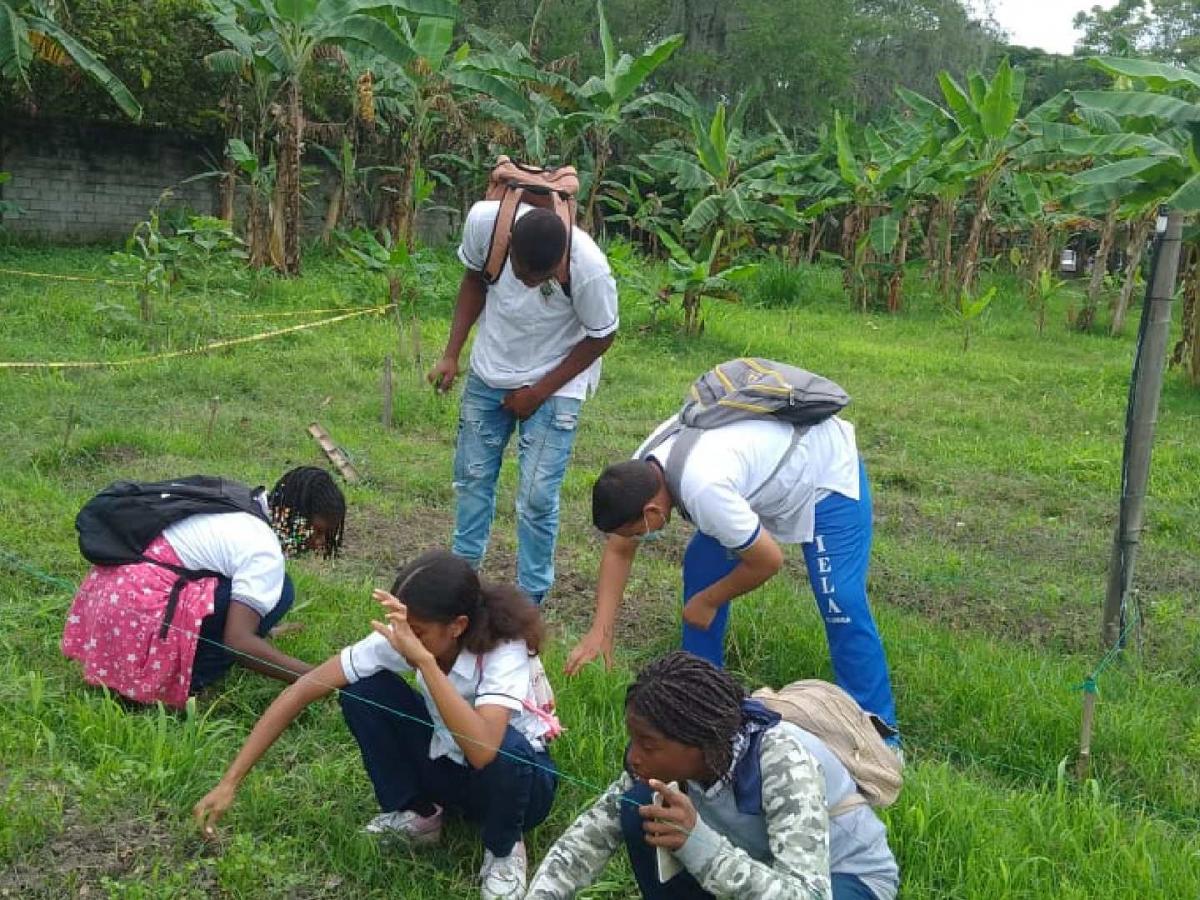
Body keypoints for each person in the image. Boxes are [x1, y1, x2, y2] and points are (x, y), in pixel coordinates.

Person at [193, 550, 558, 900]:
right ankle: (420, 814)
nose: (404, 640)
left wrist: (425, 665)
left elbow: (483, 752)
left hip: (517, 788)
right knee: (362, 691)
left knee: (506, 748)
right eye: (401, 626)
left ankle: (504, 847)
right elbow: (303, 690)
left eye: (417, 631)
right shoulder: (406, 636)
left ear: (457, 626)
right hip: (450, 764)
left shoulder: (503, 649)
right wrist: (230, 781)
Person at [566, 407, 899, 743]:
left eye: (638, 530)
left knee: (840, 598)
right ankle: (701, 704)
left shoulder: (703, 489)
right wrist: (601, 632)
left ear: (652, 511)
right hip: (753, 479)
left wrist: (710, 601)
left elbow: (768, 561)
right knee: (703, 568)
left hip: (823, 473)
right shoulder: (640, 471)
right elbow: (619, 548)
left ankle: (880, 735)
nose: (637, 537)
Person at [527, 651, 899, 900]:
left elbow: (806, 894)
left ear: (699, 744)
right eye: (633, 739)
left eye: (648, 744)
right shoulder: (660, 763)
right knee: (637, 806)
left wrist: (698, 844)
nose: (634, 756)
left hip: (841, 878)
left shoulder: (785, 763)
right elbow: (586, 839)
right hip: (759, 863)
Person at [427, 201, 619, 605]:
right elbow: (474, 281)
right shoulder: (485, 224)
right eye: (523, 273)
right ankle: (461, 582)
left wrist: (539, 392)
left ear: (561, 261)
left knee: (536, 496)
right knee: (473, 479)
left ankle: (530, 597)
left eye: (542, 277)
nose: (531, 282)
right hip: (489, 370)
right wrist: (451, 354)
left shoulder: (590, 270)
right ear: (509, 245)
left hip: (557, 380)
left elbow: (601, 336)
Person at [61, 466, 346, 707]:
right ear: (289, 512)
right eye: (317, 531)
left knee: (262, 592)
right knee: (281, 591)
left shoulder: (240, 500)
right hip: (136, 616)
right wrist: (321, 678)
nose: (317, 544)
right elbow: (239, 643)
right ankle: (187, 685)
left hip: (109, 601)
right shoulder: (264, 550)